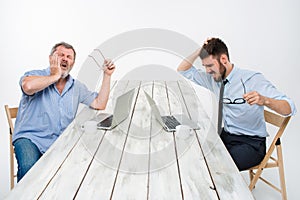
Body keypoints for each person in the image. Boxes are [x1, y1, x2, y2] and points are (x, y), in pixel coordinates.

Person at [177, 38, 296, 171]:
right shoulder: (212, 79)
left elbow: (289, 108)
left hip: (251, 144)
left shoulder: (252, 79)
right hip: (227, 136)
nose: (207, 71)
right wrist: (199, 50)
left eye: (210, 66)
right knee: (193, 151)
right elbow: (182, 70)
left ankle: (218, 189)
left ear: (224, 59)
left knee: (215, 166)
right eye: (205, 66)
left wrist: (265, 100)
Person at [13, 42, 115, 181]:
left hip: (59, 140)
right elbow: (28, 86)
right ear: (51, 58)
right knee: (29, 168)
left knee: (84, 167)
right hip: (31, 138)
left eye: (69, 57)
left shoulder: (76, 86)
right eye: (61, 55)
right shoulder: (34, 75)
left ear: (73, 62)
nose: (65, 59)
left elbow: (99, 103)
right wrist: (55, 75)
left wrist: (107, 76)